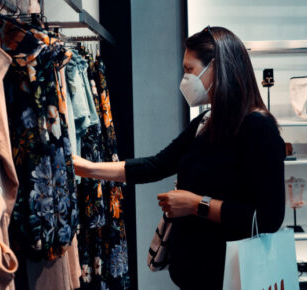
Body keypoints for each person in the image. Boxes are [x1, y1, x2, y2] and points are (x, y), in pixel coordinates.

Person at [73, 26, 285, 289]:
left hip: (233, 278)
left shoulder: (257, 127)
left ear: (216, 68)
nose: (184, 78)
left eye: (189, 69)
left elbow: (269, 218)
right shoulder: (207, 122)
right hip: (195, 274)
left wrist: (197, 204)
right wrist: (88, 168)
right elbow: (156, 164)